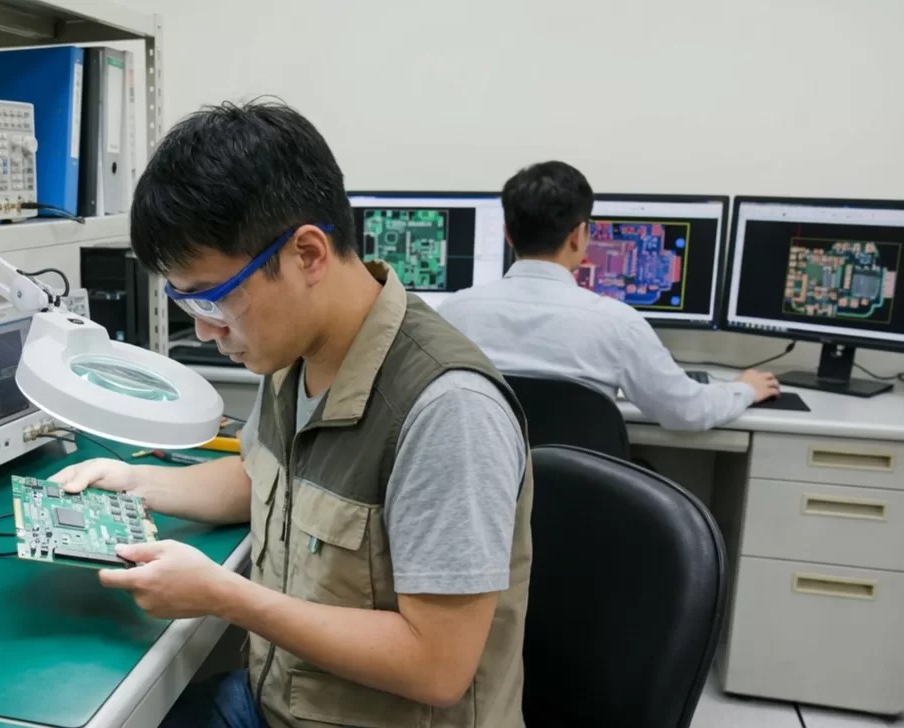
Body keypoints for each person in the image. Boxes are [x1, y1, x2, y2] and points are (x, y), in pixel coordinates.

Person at [50, 100, 533, 728]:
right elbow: (262, 477)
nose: (205, 330)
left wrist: (223, 595)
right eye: (188, 303)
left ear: (307, 254)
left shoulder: (447, 411)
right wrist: (137, 483)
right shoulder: (293, 353)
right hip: (277, 702)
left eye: (214, 298)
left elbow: (436, 666)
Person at [438, 161, 780, 431]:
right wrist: (744, 388)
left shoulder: (452, 315)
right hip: (580, 490)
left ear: (508, 235)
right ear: (579, 235)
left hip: (488, 491)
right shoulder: (618, 324)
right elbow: (688, 412)